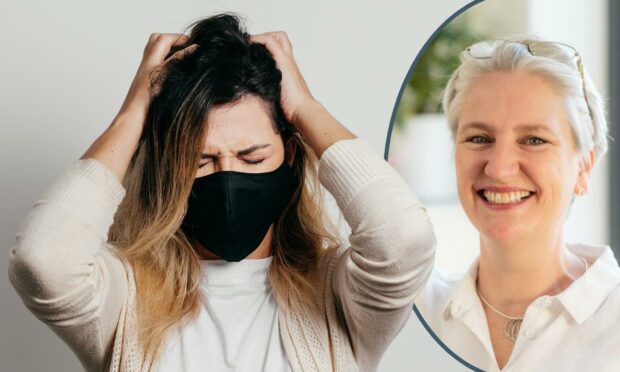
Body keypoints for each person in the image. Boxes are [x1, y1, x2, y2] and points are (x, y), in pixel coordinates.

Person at [8, 14, 436, 372]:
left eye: (251, 158)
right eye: (200, 161)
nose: (228, 179)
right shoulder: (121, 300)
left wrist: (305, 107)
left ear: (289, 154)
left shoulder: (339, 296)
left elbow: (403, 240)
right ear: (169, 170)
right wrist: (133, 114)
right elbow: (42, 260)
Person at [415, 36, 620, 371]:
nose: (498, 167)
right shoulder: (416, 307)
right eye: (479, 138)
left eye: (534, 140)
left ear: (583, 168)